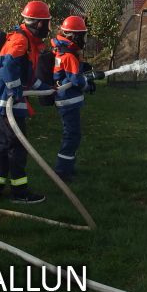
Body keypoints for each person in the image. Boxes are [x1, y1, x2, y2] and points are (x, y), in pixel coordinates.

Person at [0, 0, 52, 204]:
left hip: (10, 100)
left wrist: (47, 88)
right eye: (47, 22)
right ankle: (19, 193)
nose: (48, 27)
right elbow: (7, 68)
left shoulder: (27, 41)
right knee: (16, 147)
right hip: (9, 100)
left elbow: (27, 75)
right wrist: (16, 90)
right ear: (39, 23)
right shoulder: (21, 40)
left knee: (5, 145)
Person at [50, 15, 95, 182]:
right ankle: (62, 171)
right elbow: (76, 80)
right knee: (72, 135)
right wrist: (87, 84)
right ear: (74, 36)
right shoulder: (68, 55)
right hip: (68, 101)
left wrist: (84, 68)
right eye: (82, 35)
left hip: (66, 99)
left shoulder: (64, 51)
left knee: (72, 134)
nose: (84, 38)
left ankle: (68, 167)